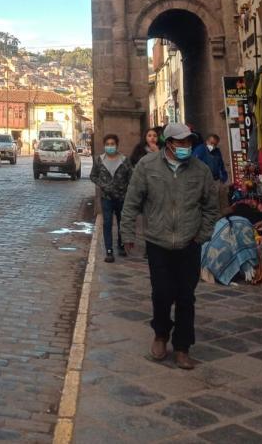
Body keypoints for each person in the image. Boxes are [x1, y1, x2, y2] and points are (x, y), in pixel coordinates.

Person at [121, 122, 218, 370]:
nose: (186, 146)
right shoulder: (147, 165)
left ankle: (183, 347)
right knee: (162, 293)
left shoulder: (201, 170)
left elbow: (210, 206)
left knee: (186, 296)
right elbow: (132, 201)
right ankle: (161, 335)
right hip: (158, 241)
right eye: (181, 142)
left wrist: (203, 234)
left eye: (189, 142)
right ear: (169, 143)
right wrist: (127, 232)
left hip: (189, 242)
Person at [90, 133, 132, 263]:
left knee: (121, 222)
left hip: (121, 197)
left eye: (112, 144)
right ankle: (109, 250)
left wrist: (125, 188)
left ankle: (121, 245)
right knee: (107, 222)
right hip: (106, 197)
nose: (110, 146)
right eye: (107, 144)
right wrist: (103, 185)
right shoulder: (99, 160)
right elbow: (93, 176)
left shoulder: (124, 160)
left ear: (117, 145)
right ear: (104, 146)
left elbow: (131, 177)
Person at [193, 134, 229, 215]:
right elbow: (194, 165)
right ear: (207, 141)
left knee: (219, 201)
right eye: (211, 143)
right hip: (204, 181)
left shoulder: (217, 152)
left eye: (215, 144)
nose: (213, 146)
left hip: (216, 180)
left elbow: (221, 165)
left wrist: (223, 177)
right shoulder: (200, 150)